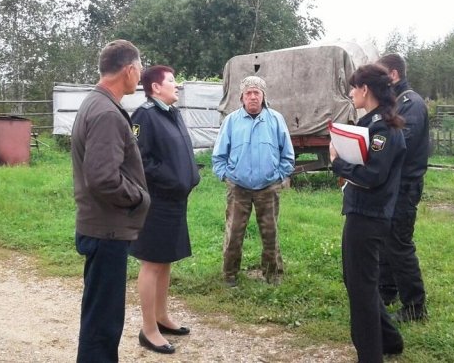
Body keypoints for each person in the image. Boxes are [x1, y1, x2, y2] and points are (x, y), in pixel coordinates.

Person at [71, 39, 151, 363]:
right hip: (107, 232)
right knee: (103, 324)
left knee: (99, 318)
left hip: (103, 229)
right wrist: (137, 197)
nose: (141, 74)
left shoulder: (98, 103)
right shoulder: (105, 112)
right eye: (140, 67)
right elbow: (102, 177)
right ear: (129, 69)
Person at [329, 63, 406, 363]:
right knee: (359, 281)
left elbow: (373, 175)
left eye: (353, 87)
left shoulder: (382, 128)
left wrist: (337, 163)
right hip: (365, 212)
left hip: (368, 215)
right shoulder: (374, 123)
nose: (350, 93)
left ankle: (370, 355)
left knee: (360, 288)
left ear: (365, 90)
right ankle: (390, 339)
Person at [129, 65, 200, 355]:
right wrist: (172, 179)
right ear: (155, 87)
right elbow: (140, 160)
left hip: (175, 200)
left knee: (166, 260)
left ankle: (162, 316)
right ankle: (148, 329)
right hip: (157, 201)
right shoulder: (145, 115)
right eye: (171, 81)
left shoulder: (172, 112)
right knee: (152, 262)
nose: (177, 85)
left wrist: (188, 177)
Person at [212, 75, 295, 287]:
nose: (252, 97)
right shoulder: (231, 121)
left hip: (268, 188)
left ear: (263, 96)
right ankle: (229, 274)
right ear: (241, 97)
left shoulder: (275, 119)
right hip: (238, 188)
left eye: (256, 93)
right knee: (234, 232)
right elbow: (219, 156)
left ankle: (273, 274)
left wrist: (278, 176)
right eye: (248, 93)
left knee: (270, 232)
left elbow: (287, 154)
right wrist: (226, 176)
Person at [376, 53, 429, 322]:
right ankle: (386, 291)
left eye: (381, 75)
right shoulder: (395, 102)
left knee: (399, 243)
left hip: (405, 186)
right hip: (391, 185)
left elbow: (400, 143)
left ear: (393, 75)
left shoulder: (411, 104)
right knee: (386, 239)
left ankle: (415, 307)